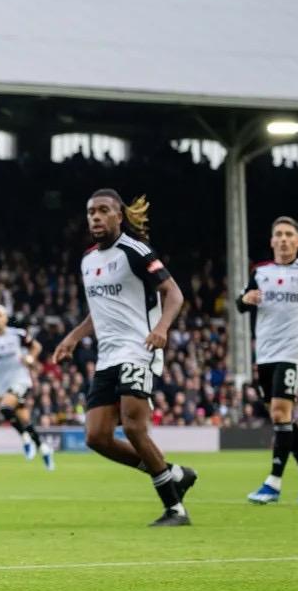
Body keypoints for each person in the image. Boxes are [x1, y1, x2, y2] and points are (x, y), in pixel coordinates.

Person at [53, 190, 197, 527]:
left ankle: (175, 509)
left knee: (133, 426)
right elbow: (99, 313)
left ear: (119, 215)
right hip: (107, 357)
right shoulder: (88, 260)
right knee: (97, 437)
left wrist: (162, 327)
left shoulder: (135, 250)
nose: (96, 217)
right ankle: (173, 473)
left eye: (103, 211)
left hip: (139, 349)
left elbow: (173, 292)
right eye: (91, 212)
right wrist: (73, 337)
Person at [240, 217, 298, 504]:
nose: (283, 239)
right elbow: (240, 302)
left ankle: (273, 484)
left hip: (291, 350)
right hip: (264, 352)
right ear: (271, 241)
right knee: (281, 417)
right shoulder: (260, 272)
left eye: (288, 234)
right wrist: (246, 299)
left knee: (280, 413)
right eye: (278, 234)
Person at [0, 304, 54, 470]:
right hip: (2, 384)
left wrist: (30, 358)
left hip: (21, 380)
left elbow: (37, 347)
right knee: (25, 421)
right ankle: (44, 448)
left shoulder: (17, 335)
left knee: (5, 408)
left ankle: (25, 439)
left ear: (5, 318)